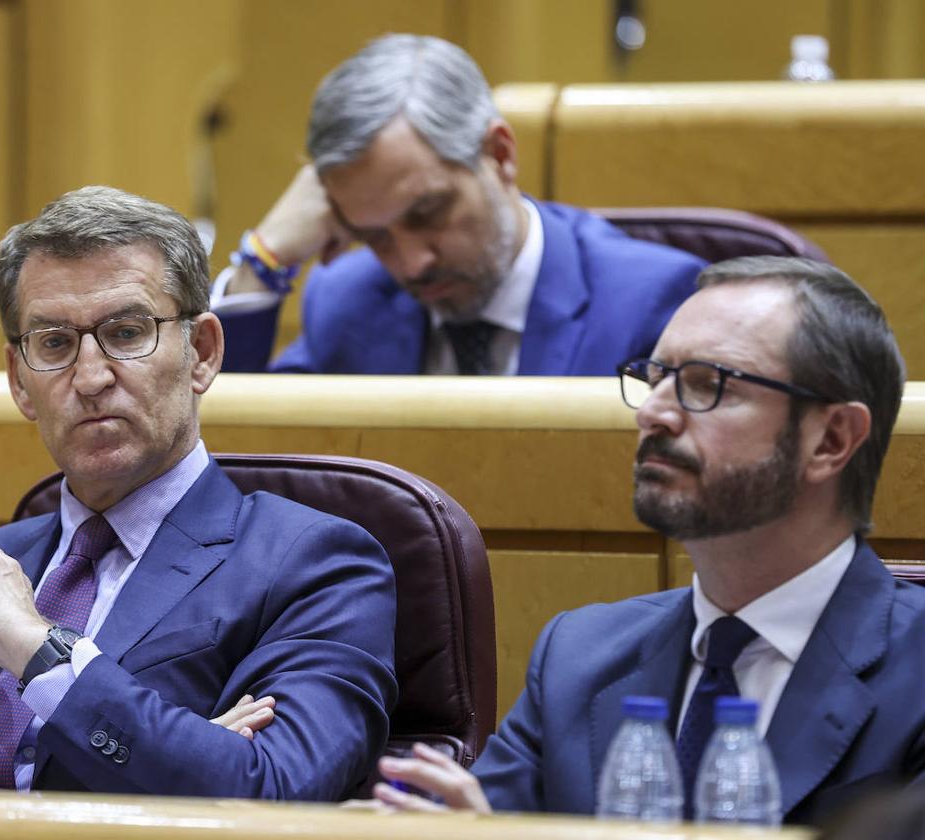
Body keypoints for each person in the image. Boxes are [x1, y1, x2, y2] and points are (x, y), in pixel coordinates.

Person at [0, 186, 398, 799]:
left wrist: (36, 648)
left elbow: (276, 789)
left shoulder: (314, 566)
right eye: (54, 343)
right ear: (20, 382)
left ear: (204, 353)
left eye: (127, 333)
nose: (89, 377)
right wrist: (159, 779)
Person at [372, 256, 924, 825]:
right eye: (656, 378)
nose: (655, 413)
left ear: (831, 439)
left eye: (709, 385)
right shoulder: (579, 658)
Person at [214, 34, 704, 376]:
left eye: (427, 212)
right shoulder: (349, 301)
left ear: (499, 154)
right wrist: (265, 258)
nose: (412, 264)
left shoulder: (655, 304)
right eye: (374, 236)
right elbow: (244, 458)